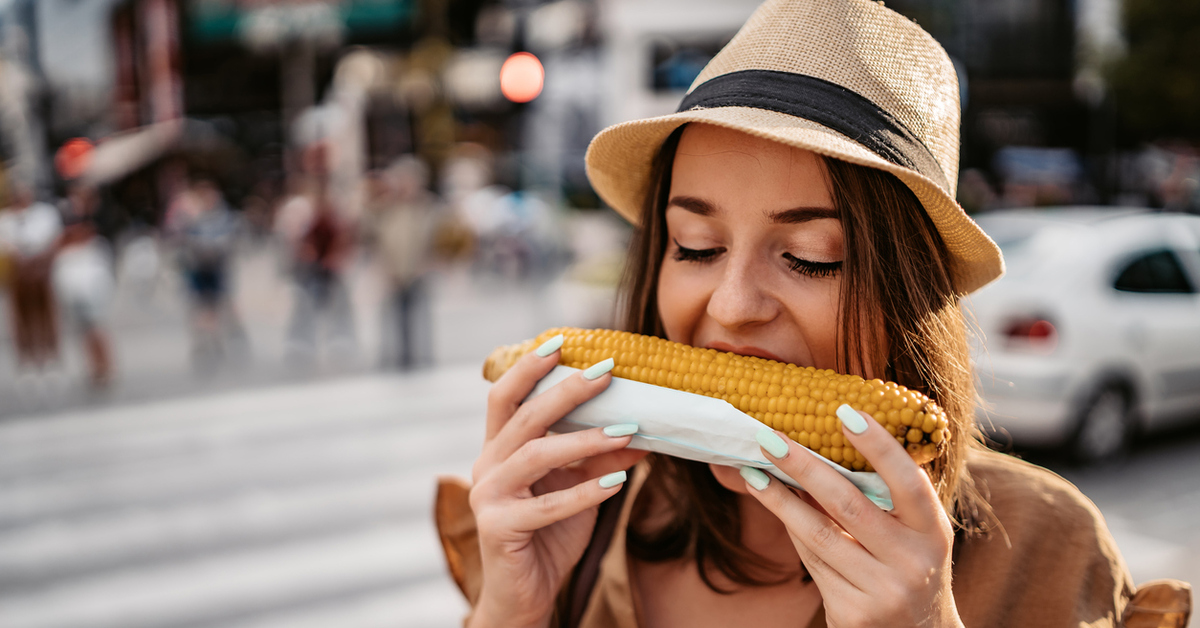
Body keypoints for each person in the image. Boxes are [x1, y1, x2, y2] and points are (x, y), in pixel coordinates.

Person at [436, 1, 1193, 627]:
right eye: (695, 246)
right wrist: (512, 613)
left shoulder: (1045, 546)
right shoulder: (578, 510)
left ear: (909, 297)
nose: (732, 306)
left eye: (811, 257)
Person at [0, 186, 62, 369]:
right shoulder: (5, 219)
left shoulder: (44, 214)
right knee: (21, 317)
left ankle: (50, 355)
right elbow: (6, 246)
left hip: (42, 271)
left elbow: (54, 238)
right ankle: (26, 358)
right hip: (18, 274)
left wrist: (40, 260)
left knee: (46, 314)